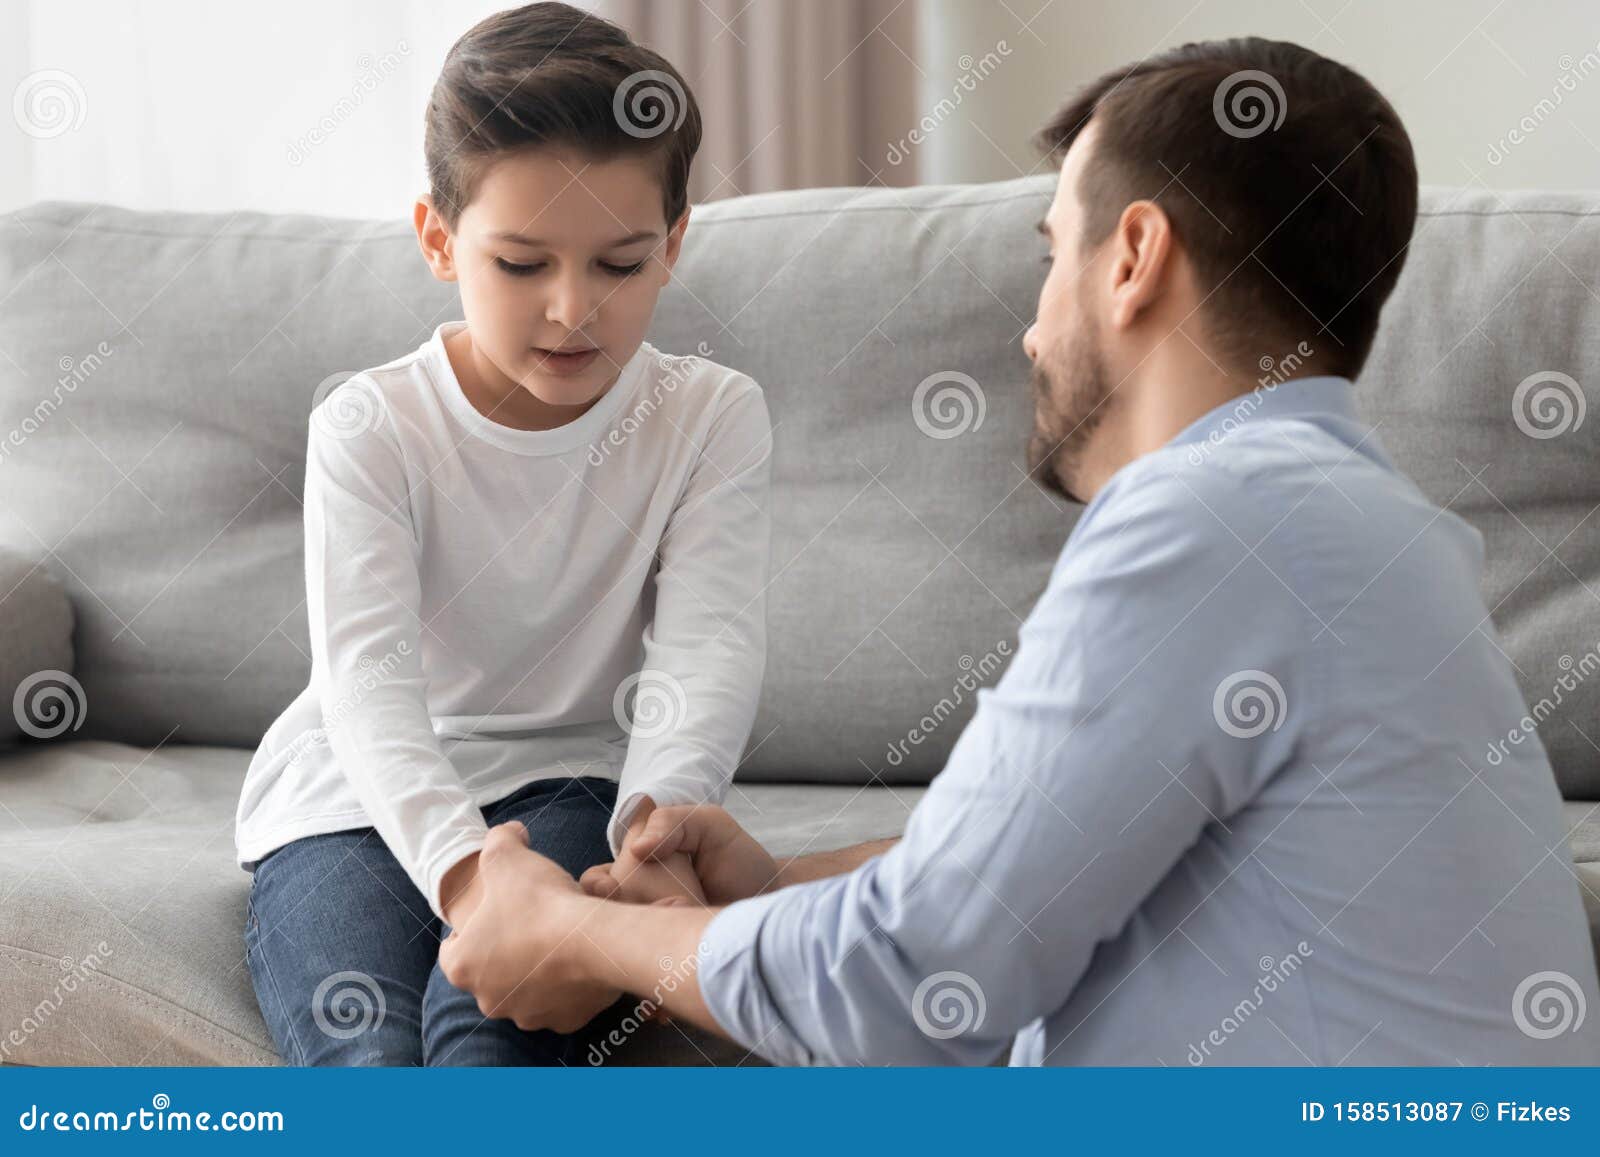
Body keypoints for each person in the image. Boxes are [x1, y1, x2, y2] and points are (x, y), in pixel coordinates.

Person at [438, 37, 1600, 1066]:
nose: (1031, 326)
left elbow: (910, 991)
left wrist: (576, 933)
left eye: (1054, 251)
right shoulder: (1370, 528)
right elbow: (1105, 855)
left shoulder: (1209, 521)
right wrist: (781, 882)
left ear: (1133, 254)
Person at [233, 1, 772, 1065]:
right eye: (522, 265)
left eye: (619, 265)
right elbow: (366, 679)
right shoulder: (369, 426)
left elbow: (708, 649)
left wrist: (654, 836)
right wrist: (469, 869)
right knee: (366, 1054)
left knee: (493, 1040)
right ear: (439, 239)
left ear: (673, 245)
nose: (573, 311)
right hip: (350, 798)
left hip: (572, 782)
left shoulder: (711, 415)